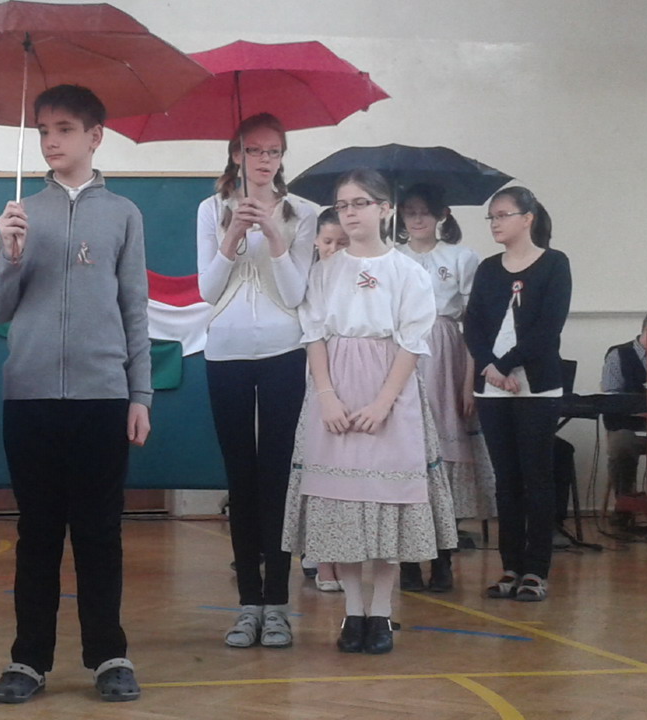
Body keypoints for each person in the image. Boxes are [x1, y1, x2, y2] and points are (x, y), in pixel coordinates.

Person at [0, 84, 151, 704]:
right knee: (38, 534)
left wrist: (140, 394)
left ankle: (109, 655)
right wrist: (9, 254)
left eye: (64, 129)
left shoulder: (124, 214)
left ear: (94, 136)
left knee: (100, 533)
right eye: (43, 130)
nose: (51, 141)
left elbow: (135, 310)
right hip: (28, 398)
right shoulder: (22, 213)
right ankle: (28, 660)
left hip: (102, 397)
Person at [282, 168, 456, 656]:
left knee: (386, 504)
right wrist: (326, 396)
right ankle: (352, 612)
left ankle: (380, 612)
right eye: (343, 205)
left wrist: (383, 403)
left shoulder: (408, 272)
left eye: (360, 203)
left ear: (385, 208)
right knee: (342, 506)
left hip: (390, 393)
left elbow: (412, 342)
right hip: (335, 389)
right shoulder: (324, 271)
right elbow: (314, 334)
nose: (350, 213)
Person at [195, 113, 315, 647]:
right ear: (236, 154)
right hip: (226, 352)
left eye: (273, 151)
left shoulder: (303, 212)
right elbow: (207, 290)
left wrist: (274, 234)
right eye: (254, 150)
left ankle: (278, 603)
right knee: (240, 476)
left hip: (284, 351)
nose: (264, 160)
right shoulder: (211, 209)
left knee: (279, 475)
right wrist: (233, 235)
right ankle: (248, 603)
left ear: (282, 157)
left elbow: (295, 294)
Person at [464, 186, 572, 603]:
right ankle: (510, 566)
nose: (495, 223)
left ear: (527, 218)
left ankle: (536, 570)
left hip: (536, 386)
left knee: (536, 477)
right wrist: (490, 367)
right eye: (491, 217)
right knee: (506, 480)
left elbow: (548, 327)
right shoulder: (489, 269)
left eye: (502, 215)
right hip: (493, 387)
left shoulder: (554, 263)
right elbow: (473, 325)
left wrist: (505, 365)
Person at [394, 184, 496, 593]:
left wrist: (469, 382)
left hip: (447, 356)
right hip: (402, 353)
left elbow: (474, 323)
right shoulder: (392, 258)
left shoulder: (461, 257)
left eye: (425, 211)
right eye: (410, 211)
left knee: (445, 461)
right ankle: (406, 562)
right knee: (405, 457)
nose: (418, 219)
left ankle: (443, 560)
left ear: (441, 214)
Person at [601, 306, 647, 522]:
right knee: (621, 445)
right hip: (629, 427)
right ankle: (624, 505)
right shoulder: (618, 355)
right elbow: (612, 400)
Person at [307, 208, 346, 593]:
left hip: (357, 376)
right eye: (327, 241)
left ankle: (346, 557)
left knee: (349, 469)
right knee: (321, 467)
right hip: (320, 375)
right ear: (316, 241)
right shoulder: (312, 277)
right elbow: (312, 331)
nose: (333, 249)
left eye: (341, 242)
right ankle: (321, 558)